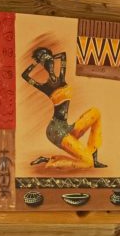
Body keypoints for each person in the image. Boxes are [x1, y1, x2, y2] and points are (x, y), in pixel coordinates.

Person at [20, 41, 104, 169]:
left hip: (66, 127)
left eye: (48, 57)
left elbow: (63, 56)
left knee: (95, 112)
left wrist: (50, 56)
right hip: (55, 131)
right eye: (44, 59)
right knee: (87, 163)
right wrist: (37, 61)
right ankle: (49, 160)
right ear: (42, 64)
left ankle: (94, 156)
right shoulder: (45, 87)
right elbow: (25, 75)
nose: (48, 61)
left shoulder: (62, 78)